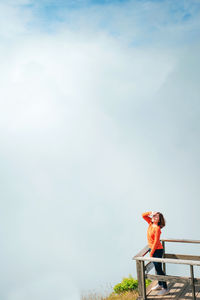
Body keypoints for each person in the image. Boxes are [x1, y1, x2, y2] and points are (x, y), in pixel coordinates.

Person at [142, 211, 169, 296]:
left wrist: (151, 253)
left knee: (159, 269)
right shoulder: (150, 223)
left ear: (159, 220)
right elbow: (143, 215)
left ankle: (165, 288)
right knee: (157, 269)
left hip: (157, 250)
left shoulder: (157, 228)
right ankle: (160, 284)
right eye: (154, 216)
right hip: (152, 249)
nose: (154, 217)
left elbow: (156, 242)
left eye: (156, 217)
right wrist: (151, 212)